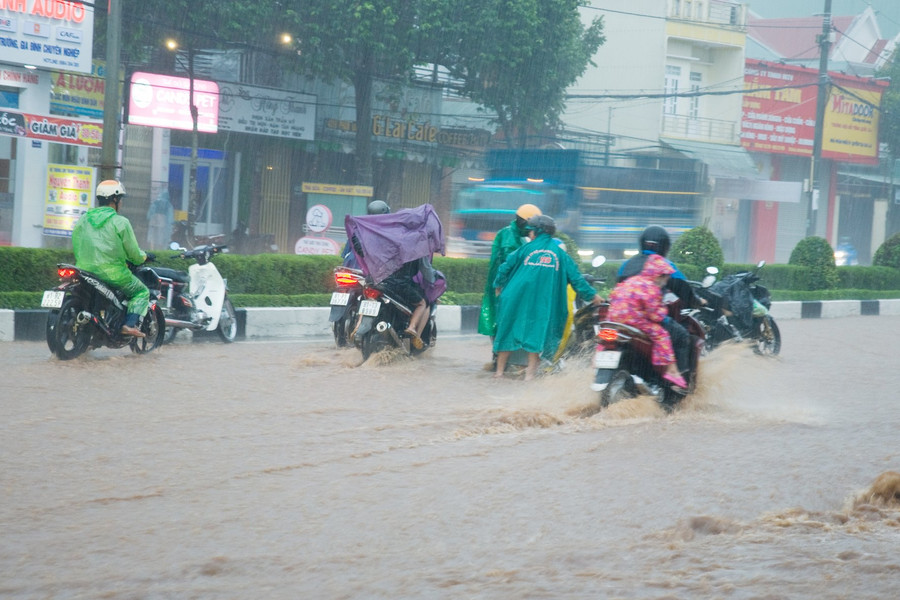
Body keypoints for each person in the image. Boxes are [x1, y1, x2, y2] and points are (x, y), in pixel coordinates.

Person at [492, 215, 603, 381]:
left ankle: (499, 373)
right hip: (543, 303)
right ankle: (530, 376)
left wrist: (498, 286)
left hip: (516, 298)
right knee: (537, 336)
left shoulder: (524, 250)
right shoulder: (561, 255)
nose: (529, 235)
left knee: (507, 331)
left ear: (537, 232)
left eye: (530, 231)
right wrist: (593, 295)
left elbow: (504, 267)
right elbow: (577, 279)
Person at [71, 180, 155, 338]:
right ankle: (129, 325)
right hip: (113, 274)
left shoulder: (83, 219)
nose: (121, 203)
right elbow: (134, 254)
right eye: (120, 199)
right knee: (142, 291)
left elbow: (77, 244)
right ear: (115, 199)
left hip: (84, 270)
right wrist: (144, 256)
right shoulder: (121, 222)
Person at [617, 225, 700, 376]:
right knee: (682, 335)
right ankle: (677, 379)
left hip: (620, 318)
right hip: (644, 319)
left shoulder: (626, 265)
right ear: (665, 246)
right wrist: (698, 301)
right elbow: (684, 290)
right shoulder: (664, 266)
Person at [607, 253, 688, 389]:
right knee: (662, 334)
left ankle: (595, 358)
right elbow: (655, 316)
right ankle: (671, 370)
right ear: (658, 276)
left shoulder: (631, 281)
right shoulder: (651, 288)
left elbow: (613, 297)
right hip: (634, 322)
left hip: (614, 320)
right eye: (666, 278)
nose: (666, 282)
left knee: (605, 335)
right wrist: (663, 312)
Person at [477, 203, 542, 338]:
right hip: (503, 283)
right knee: (501, 315)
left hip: (512, 283)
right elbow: (507, 263)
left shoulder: (523, 237)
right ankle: (499, 346)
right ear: (523, 222)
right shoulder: (508, 236)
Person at [342, 200, 390, 268]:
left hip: (352, 266)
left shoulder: (358, 228)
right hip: (376, 270)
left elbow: (345, 253)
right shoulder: (389, 231)